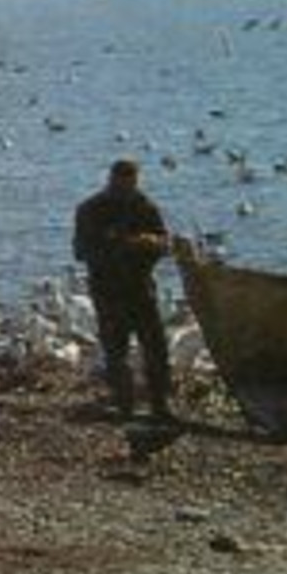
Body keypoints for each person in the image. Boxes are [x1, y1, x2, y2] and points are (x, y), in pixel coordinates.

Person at [73, 159, 174, 421]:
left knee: (156, 348)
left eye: (132, 183)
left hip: (141, 287)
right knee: (116, 351)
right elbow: (80, 251)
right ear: (112, 179)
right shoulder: (91, 209)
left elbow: (164, 243)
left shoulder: (145, 207)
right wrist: (118, 245)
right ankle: (125, 406)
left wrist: (151, 244)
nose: (129, 188)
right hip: (108, 290)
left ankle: (160, 406)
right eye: (124, 182)